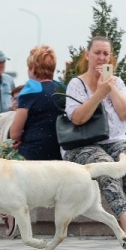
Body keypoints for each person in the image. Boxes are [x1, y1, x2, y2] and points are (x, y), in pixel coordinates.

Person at [63, 35, 126, 233]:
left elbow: (124, 113)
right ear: (87, 55)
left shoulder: (117, 82)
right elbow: (78, 118)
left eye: (105, 54)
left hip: (117, 141)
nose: (101, 57)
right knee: (107, 168)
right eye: (97, 53)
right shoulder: (76, 84)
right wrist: (99, 93)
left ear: (110, 58)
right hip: (84, 145)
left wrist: (111, 87)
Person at [2, 45, 63, 236]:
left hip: (33, 154)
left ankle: (9, 208)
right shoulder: (62, 89)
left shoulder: (30, 90)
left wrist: (17, 139)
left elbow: (15, 131)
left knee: (2, 159)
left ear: (33, 69)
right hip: (59, 154)